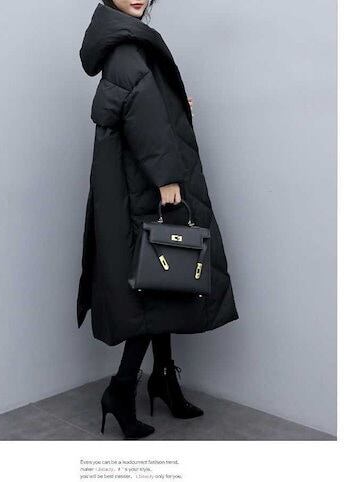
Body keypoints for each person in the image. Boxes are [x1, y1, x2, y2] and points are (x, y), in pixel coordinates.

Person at [77, 0, 239, 440]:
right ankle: (121, 388)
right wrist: (167, 177)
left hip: (137, 179)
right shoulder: (126, 47)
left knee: (165, 283)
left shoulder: (122, 41)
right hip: (145, 184)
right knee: (153, 286)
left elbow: (145, 103)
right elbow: (140, 114)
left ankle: (163, 376)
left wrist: (175, 105)